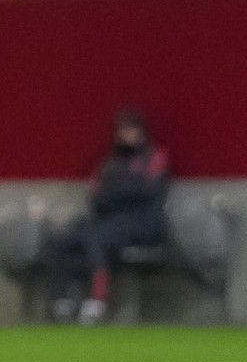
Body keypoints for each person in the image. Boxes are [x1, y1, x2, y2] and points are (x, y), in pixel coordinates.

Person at [47, 109, 171, 324]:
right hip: (110, 219)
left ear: (141, 133)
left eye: (131, 130)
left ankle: (97, 301)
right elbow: (96, 198)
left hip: (144, 223)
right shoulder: (108, 164)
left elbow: (148, 190)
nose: (125, 135)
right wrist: (122, 191)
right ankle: (62, 300)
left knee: (96, 238)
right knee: (64, 237)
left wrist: (116, 192)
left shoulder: (156, 156)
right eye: (122, 131)